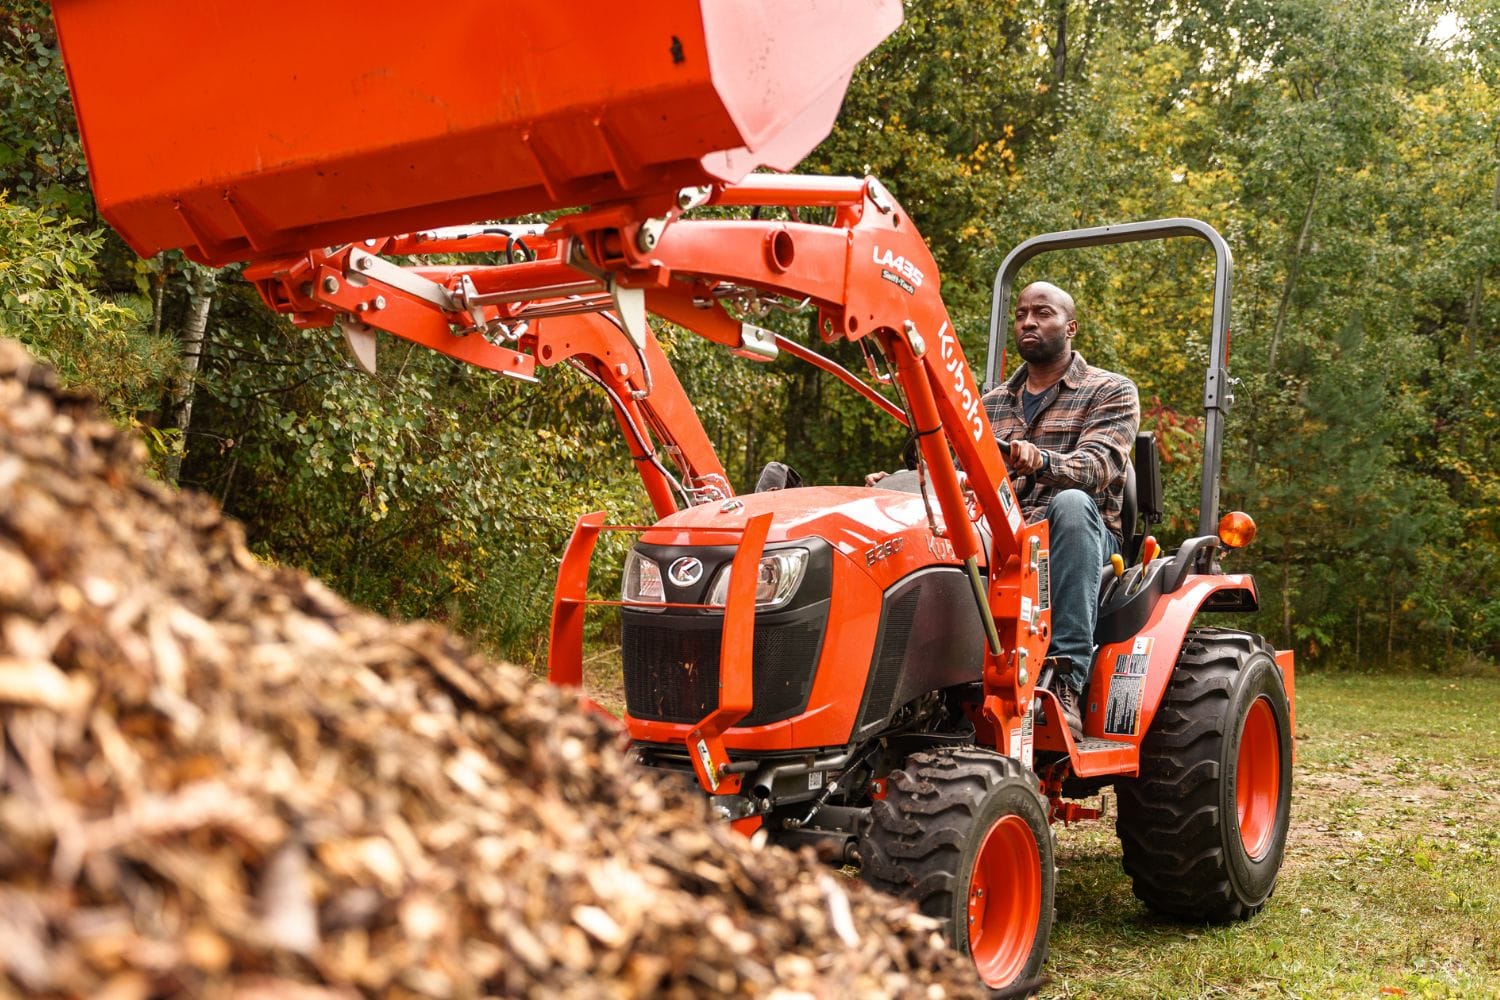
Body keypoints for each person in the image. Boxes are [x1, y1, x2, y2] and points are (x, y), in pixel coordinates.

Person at [983, 281, 1139, 739]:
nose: (1028, 322)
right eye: (1021, 314)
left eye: (1043, 313)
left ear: (1070, 327)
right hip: (1001, 535)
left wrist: (1043, 462)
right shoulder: (989, 404)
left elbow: (1098, 466)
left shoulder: (1110, 390)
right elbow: (955, 470)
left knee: (1070, 503)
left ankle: (1066, 677)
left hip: (1078, 536)